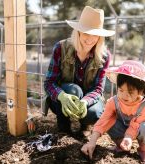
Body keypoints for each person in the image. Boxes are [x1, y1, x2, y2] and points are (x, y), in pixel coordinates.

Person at [43, 6, 115, 134]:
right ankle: (63, 128)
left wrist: (85, 102)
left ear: (100, 37)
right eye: (86, 32)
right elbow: (49, 82)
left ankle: (84, 125)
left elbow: (98, 89)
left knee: (94, 113)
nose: (90, 39)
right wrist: (62, 96)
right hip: (63, 98)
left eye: (96, 34)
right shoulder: (61, 48)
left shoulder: (104, 56)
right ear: (78, 32)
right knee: (73, 90)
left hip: (87, 98)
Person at [81, 60, 145, 164]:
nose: (124, 96)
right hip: (121, 130)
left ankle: (144, 151)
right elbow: (103, 121)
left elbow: (135, 125)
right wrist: (92, 142)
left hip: (137, 130)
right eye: (121, 90)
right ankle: (120, 145)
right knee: (109, 121)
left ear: (140, 91)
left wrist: (129, 137)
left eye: (130, 92)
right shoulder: (113, 102)